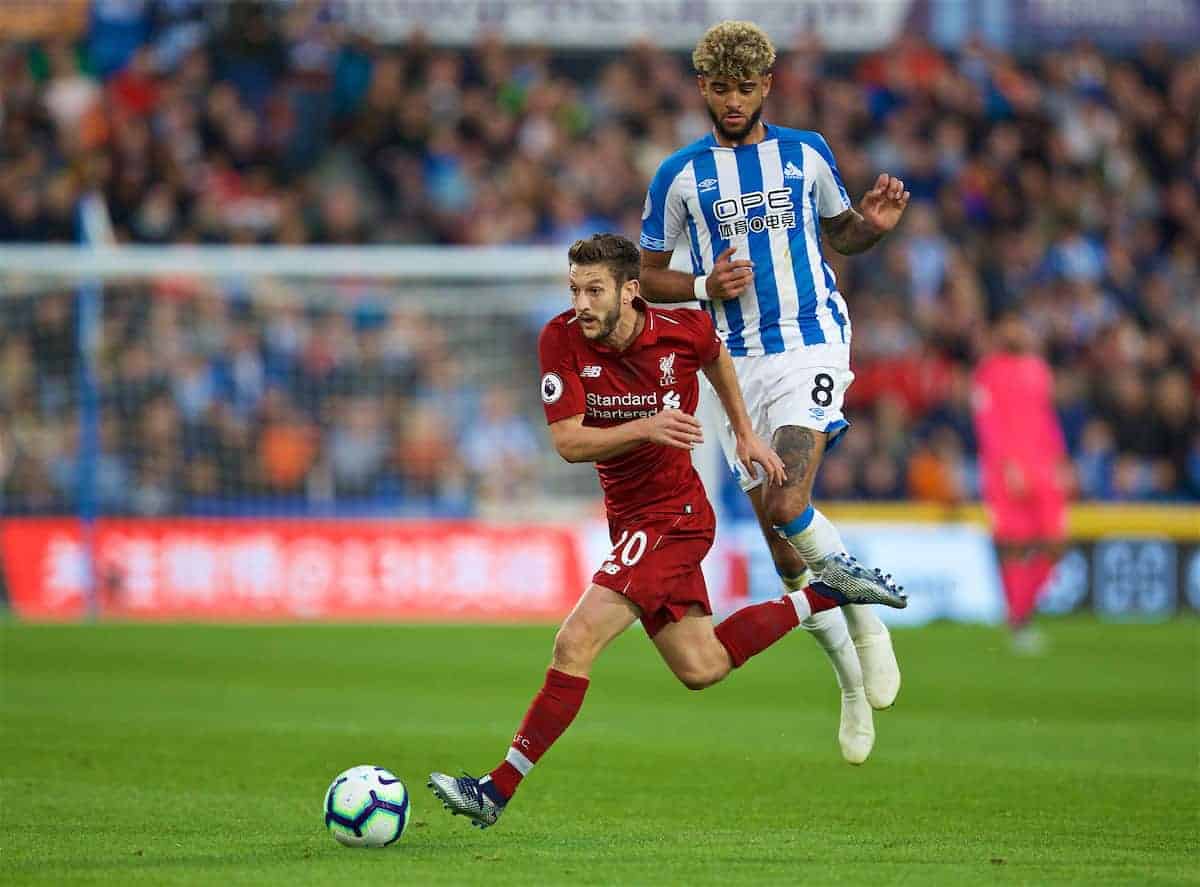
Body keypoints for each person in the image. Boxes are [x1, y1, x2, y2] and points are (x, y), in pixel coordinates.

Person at [428, 233, 906, 829]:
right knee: (701, 667)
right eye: (575, 288)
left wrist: (744, 432)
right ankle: (827, 590)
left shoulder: (680, 329)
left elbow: (716, 355)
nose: (581, 302)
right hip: (630, 520)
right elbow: (569, 441)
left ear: (631, 291)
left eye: (594, 290)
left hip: (673, 517)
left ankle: (493, 791)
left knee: (574, 644)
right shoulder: (561, 339)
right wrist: (647, 426)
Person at [637, 20, 912, 763]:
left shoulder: (806, 153)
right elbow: (645, 273)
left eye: (745, 86)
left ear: (768, 84)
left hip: (810, 337)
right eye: (720, 87)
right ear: (703, 87)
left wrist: (871, 228)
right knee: (784, 552)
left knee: (789, 500)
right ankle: (849, 682)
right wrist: (700, 284)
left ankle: (867, 618)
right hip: (733, 364)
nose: (733, 100)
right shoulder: (680, 175)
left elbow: (841, 233)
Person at [972, 310, 1069, 653]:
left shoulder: (1038, 369)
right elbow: (987, 425)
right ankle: (1019, 621)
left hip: (1043, 467)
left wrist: (1060, 460)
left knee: (1056, 542)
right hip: (1005, 471)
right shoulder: (988, 372)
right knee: (1014, 545)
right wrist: (1005, 464)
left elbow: (1048, 417)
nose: (1016, 329)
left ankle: (1021, 609)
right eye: (1009, 323)